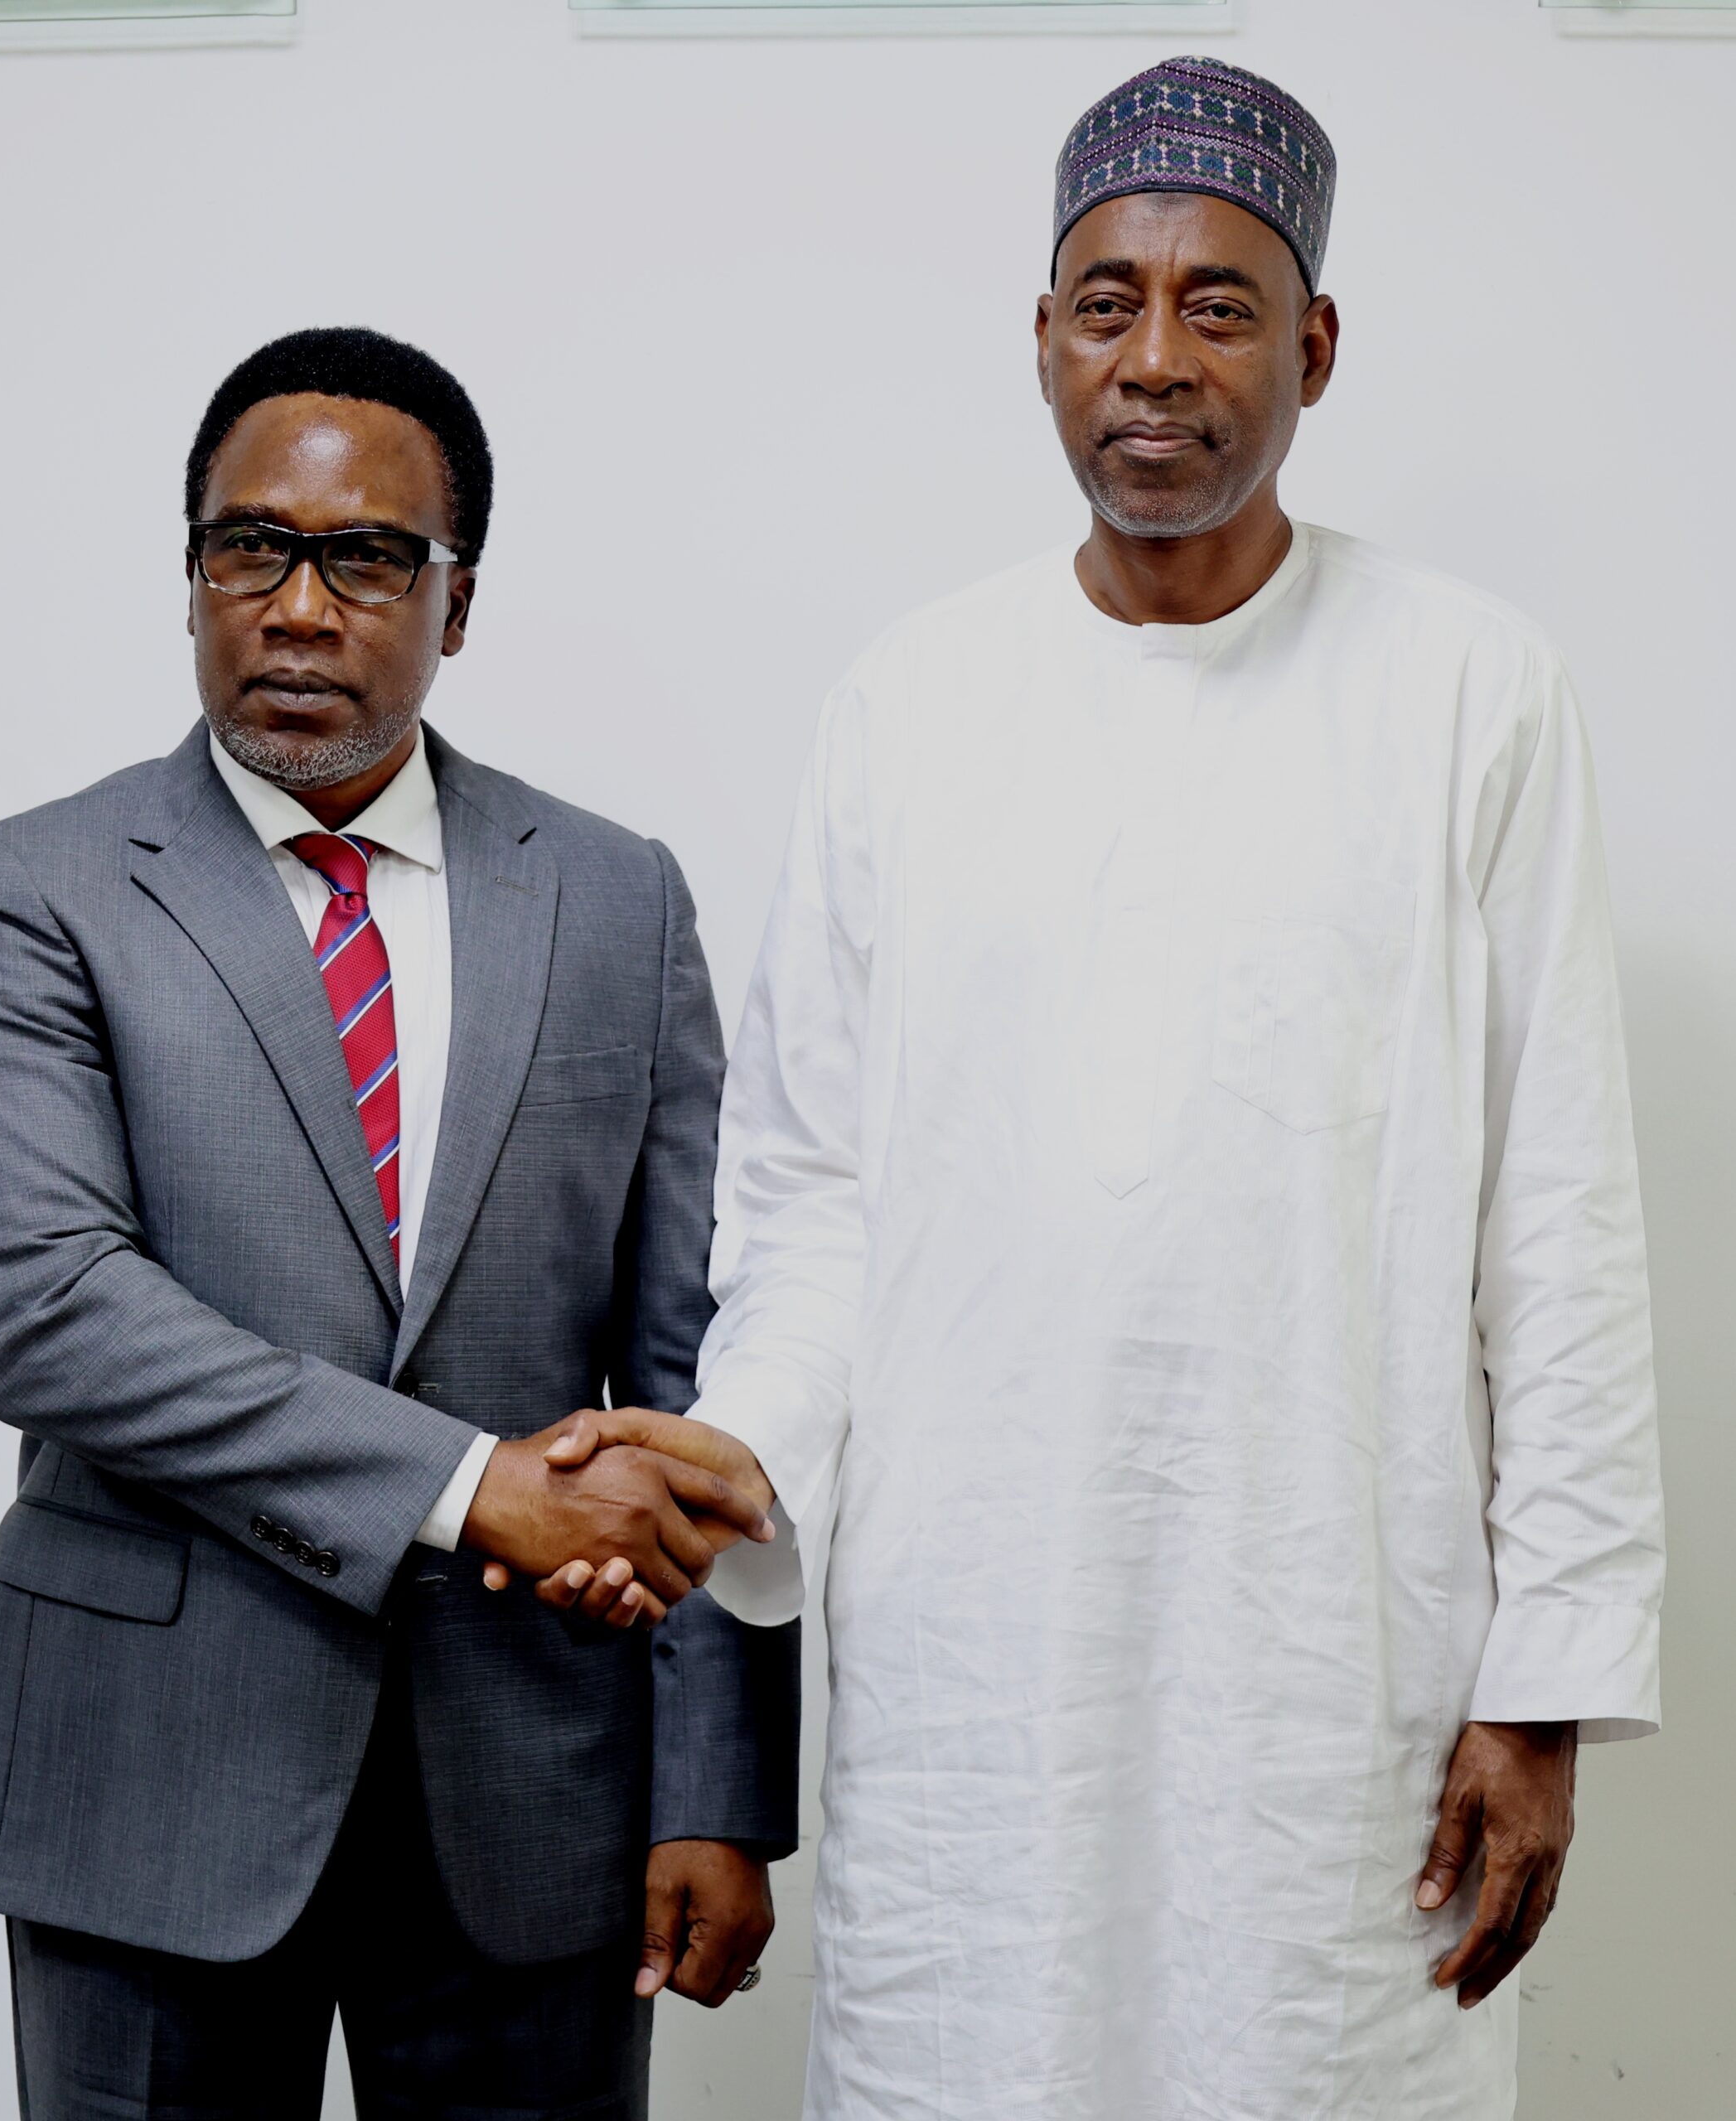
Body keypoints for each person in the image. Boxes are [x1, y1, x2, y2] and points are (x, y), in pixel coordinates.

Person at [543, 54, 1666, 2120]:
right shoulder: (911, 704)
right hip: (982, 1671)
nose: (1155, 360)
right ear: (1042, 339)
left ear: (1315, 347)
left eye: (1219, 305)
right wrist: (733, 1457)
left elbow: (1563, 1224)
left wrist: (1551, 1684)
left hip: (1343, 1658)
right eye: (1104, 303)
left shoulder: (1470, 692)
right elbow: (812, 1204)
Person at [0, 326, 798, 2121]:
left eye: (369, 558)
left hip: (537, 1784)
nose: (299, 608)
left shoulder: (615, 899)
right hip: (145, 1778)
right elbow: (51, 1313)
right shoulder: (29, 891)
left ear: (458, 604)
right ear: (192, 579)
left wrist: (715, 1787)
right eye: (252, 548)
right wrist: (477, 1487)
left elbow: (696, 1366)